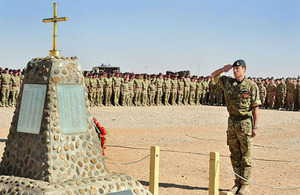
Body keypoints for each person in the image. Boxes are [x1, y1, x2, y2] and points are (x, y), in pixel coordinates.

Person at [211, 59, 261, 195]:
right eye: (233, 69)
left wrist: (255, 127)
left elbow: (255, 108)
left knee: (245, 155)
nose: (235, 71)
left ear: (244, 69)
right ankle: (237, 183)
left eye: (237, 69)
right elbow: (213, 76)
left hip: (245, 123)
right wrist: (223, 69)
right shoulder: (228, 82)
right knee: (234, 155)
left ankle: (245, 184)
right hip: (232, 122)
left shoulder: (251, 86)